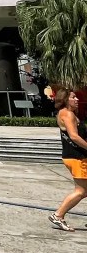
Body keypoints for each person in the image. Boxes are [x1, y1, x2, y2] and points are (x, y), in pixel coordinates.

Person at [48, 88, 87, 232]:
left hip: (75, 156)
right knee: (81, 191)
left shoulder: (66, 113)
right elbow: (74, 137)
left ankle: (58, 215)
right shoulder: (68, 114)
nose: (76, 99)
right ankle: (58, 215)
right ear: (65, 99)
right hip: (77, 157)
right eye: (73, 97)